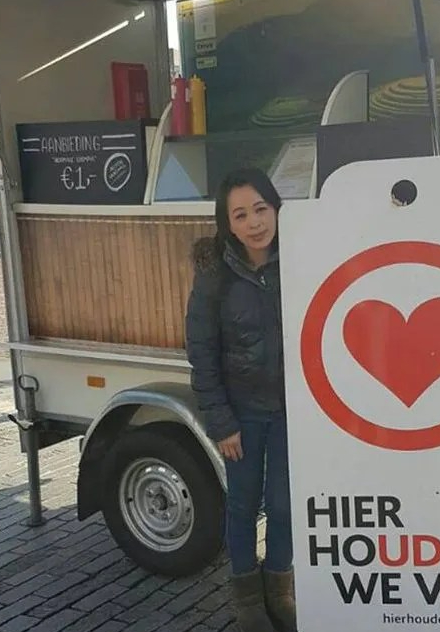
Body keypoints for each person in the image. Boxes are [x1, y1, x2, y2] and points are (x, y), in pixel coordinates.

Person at [185, 167, 296, 632]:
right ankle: (247, 599)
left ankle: (281, 590)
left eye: (261, 209)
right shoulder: (215, 276)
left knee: (285, 505)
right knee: (244, 505)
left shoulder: (301, 258)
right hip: (242, 415)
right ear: (227, 224)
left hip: (293, 414)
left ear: (276, 208)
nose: (255, 222)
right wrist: (222, 422)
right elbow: (202, 352)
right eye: (241, 214)